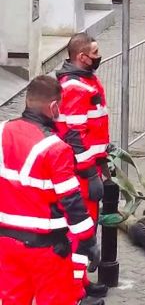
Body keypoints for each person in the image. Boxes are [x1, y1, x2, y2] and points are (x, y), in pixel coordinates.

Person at [0, 76, 101, 305]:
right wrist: (87, 240)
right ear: (54, 107)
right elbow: (72, 202)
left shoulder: (1, 131)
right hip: (46, 248)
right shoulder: (56, 149)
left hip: (5, 243)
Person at [55, 33, 111, 300]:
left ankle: (81, 282)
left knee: (83, 229)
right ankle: (75, 290)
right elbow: (74, 134)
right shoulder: (76, 87)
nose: (99, 56)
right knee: (81, 230)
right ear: (82, 57)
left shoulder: (84, 81)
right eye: (95, 52)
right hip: (80, 173)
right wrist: (90, 172)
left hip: (89, 167)